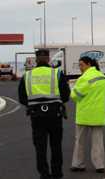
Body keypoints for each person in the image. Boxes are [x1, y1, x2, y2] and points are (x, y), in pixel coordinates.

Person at [18, 49, 70, 179]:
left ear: (36, 60)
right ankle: (57, 174)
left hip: (37, 116)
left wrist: (34, 103)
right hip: (54, 115)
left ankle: (44, 174)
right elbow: (66, 95)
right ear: (48, 59)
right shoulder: (57, 73)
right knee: (56, 146)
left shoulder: (27, 75)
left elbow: (22, 98)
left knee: (40, 148)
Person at [70, 56, 105, 174]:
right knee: (98, 142)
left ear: (88, 64)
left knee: (80, 141)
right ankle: (100, 165)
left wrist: (72, 86)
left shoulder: (84, 78)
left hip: (84, 114)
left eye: (81, 65)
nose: (80, 68)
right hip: (98, 114)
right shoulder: (103, 77)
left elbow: (74, 95)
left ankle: (78, 164)